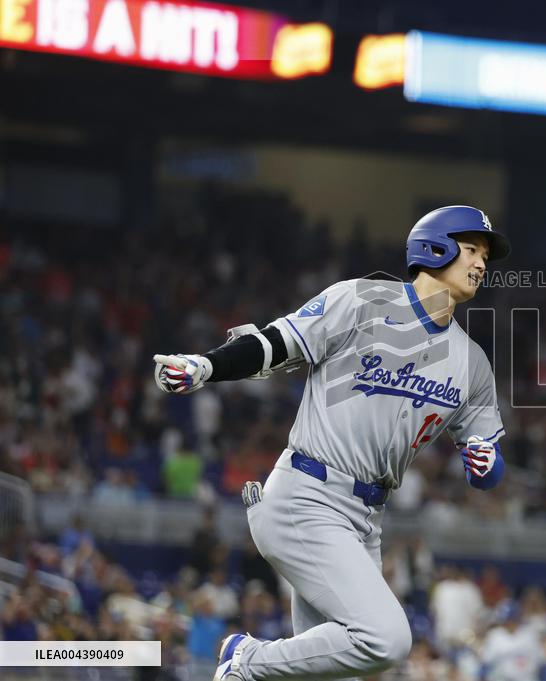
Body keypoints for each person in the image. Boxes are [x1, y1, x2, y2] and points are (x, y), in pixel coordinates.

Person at [152, 206, 510, 681]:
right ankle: (247, 659)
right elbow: (278, 342)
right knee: (387, 638)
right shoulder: (361, 301)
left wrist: (486, 463)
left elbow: (488, 459)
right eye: (471, 249)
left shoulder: (472, 362)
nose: (482, 263)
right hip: (308, 496)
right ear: (434, 248)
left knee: (335, 668)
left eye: (486, 255)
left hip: (365, 523)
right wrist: (208, 366)